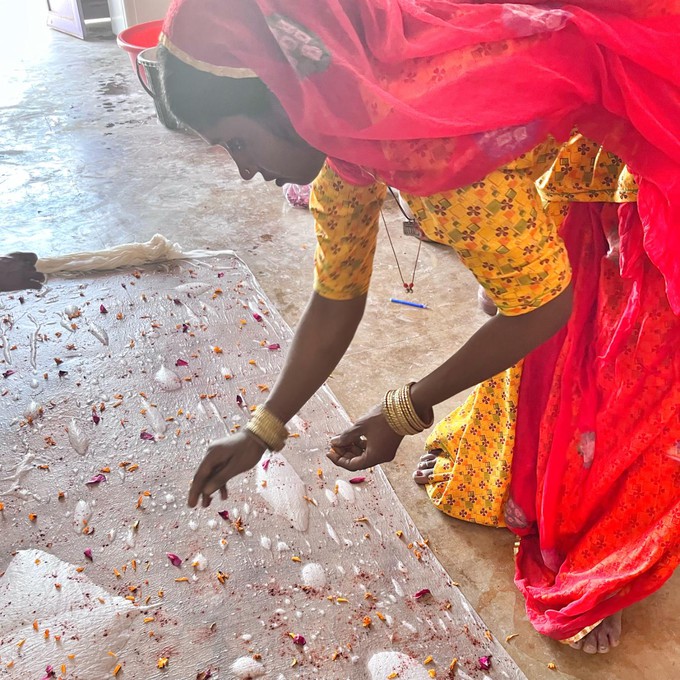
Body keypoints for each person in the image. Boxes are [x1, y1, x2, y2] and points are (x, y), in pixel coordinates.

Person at [157, 0, 680, 653]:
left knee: (640, 379)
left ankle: (612, 555)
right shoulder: (347, 128)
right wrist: (262, 428)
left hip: (659, 107)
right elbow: (336, 296)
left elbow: (544, 308)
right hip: (590, 119)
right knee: (561, 351)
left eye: (238, 141)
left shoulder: (436, 154)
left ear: (287, 94)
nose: (243, 170)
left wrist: (402, 413)